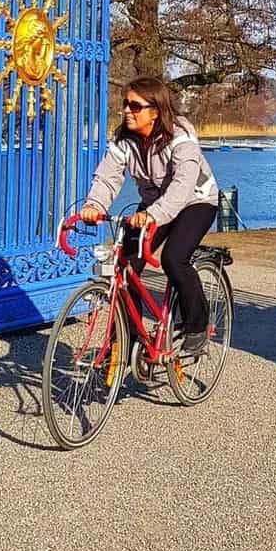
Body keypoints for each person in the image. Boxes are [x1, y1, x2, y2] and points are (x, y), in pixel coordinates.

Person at [80, 77, 219, 354]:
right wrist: (94, 204)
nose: (127, 111)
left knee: (174, 258)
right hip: (155, 205)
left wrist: (153, 215)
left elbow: (183, 183)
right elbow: (108, 177)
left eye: (135, 106)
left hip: (196, 201)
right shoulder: (124, 139)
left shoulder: (180, 134)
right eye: (125, 105)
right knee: (125, 265)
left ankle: (197, 325)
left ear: (155, 110)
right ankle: (128, 340)